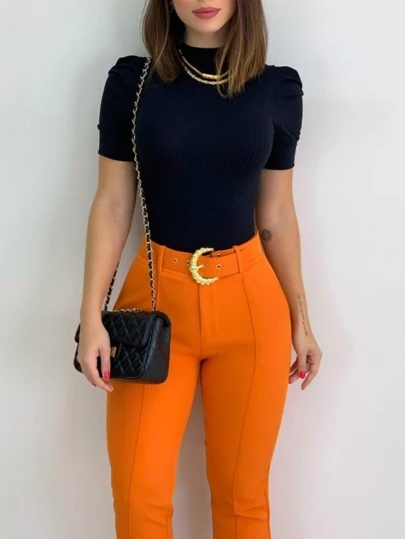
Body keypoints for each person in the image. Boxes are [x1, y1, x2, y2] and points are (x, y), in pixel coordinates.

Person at [76, 1, 323, 538]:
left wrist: (301, 321)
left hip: (251, 305)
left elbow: (277, 214)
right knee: (138, 496)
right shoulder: (133, 83)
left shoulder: (277, 89)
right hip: (153, 300)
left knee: (242, 500)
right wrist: (91, 314)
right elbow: (113, 204)